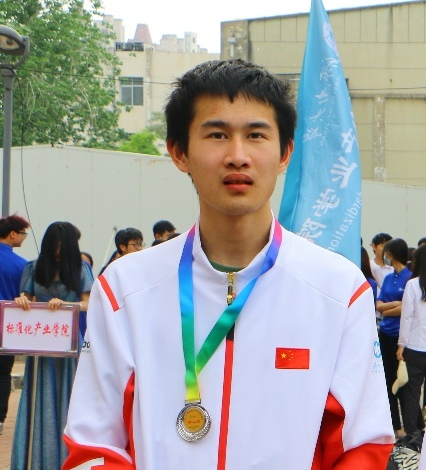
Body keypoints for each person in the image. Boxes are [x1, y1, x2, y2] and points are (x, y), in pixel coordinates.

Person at [62, 59, 393, 470]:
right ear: (179, 152)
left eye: (256, 135)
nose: (237, 156)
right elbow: (94, 446)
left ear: (285, 153)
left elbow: (362, 446)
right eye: (217, 134)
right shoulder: (125, 289)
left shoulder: (339, 290)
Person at [11, 221, 94, 470]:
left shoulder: (80, 268)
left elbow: (88, 302)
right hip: (41, 344)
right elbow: (26, 297)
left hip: (68, 345)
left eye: (61, 247)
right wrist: (22, 301)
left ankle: (67, 460)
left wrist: (66, 305)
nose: (57, 252)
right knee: (38, 395)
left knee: (69, 397)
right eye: (54, 247)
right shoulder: (33, 267)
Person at [376, 238, 416, 438]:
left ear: (392, 254)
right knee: (388, 380)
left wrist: (388, 309)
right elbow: (378, 305)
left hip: (401, 337)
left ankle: (410, 425)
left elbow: (406, 309)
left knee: (403, 381)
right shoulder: (388, 278)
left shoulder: (410, 278)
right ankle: (395, 424)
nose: (386, 256)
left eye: (388, 253)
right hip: (385, 334)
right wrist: (394, 306)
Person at [0, 214, 30, 435]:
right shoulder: (21, 265)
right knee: (3, 374)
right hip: (6, 328)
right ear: (12, 234)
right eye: (23, 234)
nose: (24, 237)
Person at [396, 244, 426, 438]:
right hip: (417, 344)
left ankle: (412, 432)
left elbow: (406, 317)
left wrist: (401, 344)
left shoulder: (413, 285)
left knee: (413, 390)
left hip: (416, 345)